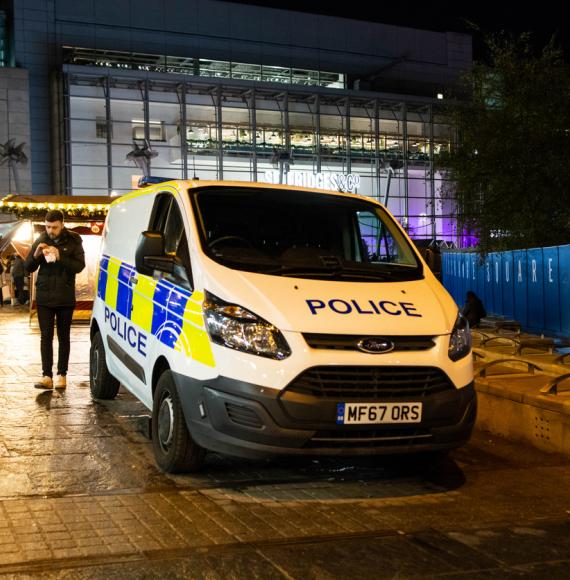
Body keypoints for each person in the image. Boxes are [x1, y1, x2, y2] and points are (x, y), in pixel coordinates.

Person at [25, 210, 85, 390]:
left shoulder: (74, 240)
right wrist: (35, 254)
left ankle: (62, 375)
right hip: (44, 297)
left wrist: (60, 256)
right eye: (48, 226)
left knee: (64, 337)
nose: (50, 230)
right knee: (46, 337)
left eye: (54, 227)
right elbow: (29, 266)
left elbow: (79, 266)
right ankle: (46, 376)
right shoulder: (42, 239)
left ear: (62, 224)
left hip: (65, 297)